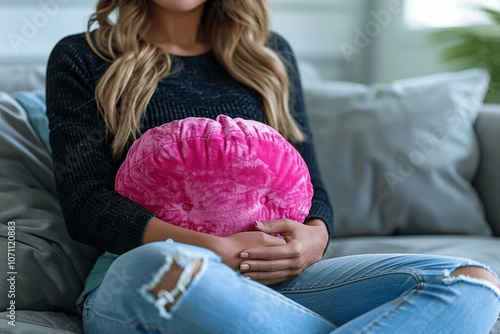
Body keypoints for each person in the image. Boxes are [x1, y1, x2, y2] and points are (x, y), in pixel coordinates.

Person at [46, 0, 500, 333]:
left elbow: (312, 185)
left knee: (472, 283)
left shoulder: (267, 56)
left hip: (275, 280)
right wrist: (214, 249)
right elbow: (86, 205)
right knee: (166, 272)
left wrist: (315, 238)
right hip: (152, 271)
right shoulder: (82, 56)